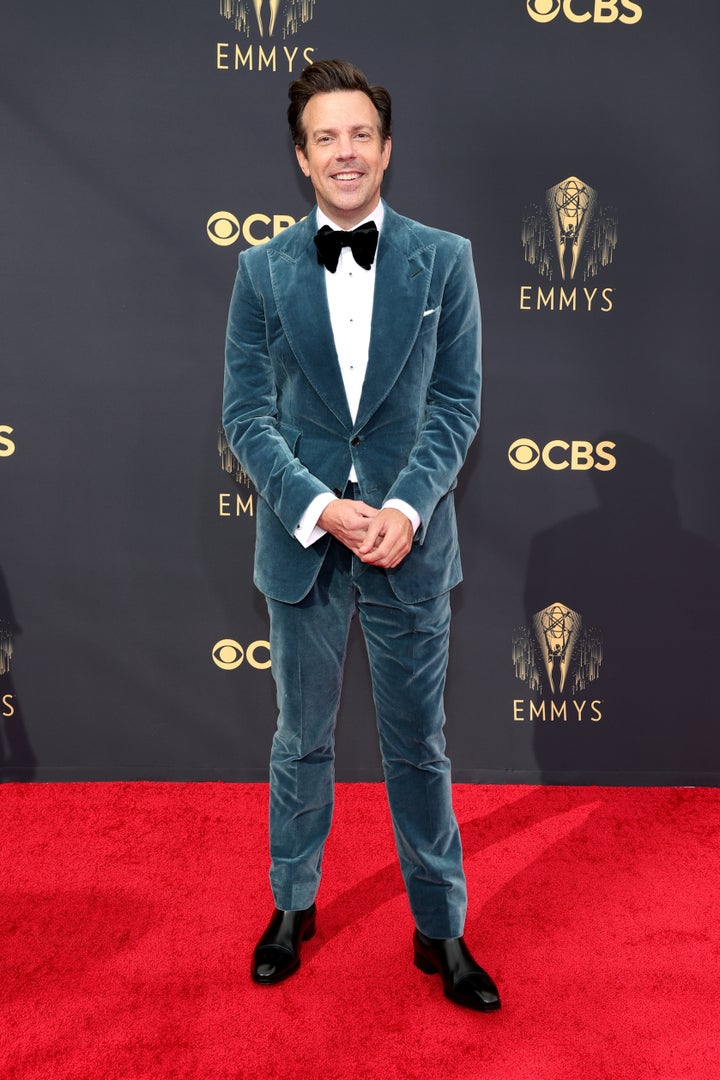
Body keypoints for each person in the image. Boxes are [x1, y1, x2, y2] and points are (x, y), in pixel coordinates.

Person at [223, 59, 500, 1012]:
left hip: (407, 542)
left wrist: (405, 510)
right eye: (326, 138)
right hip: (303, 542)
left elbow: (456, 407)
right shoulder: (258, 272)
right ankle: (292, 905)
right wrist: (317, 507)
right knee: (300, 737)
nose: (346, 153)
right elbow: (246, 416)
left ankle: (442, 927)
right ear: (302, 159)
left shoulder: (445, 259)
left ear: (387, 149)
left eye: (361, 135)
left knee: (418, 743)